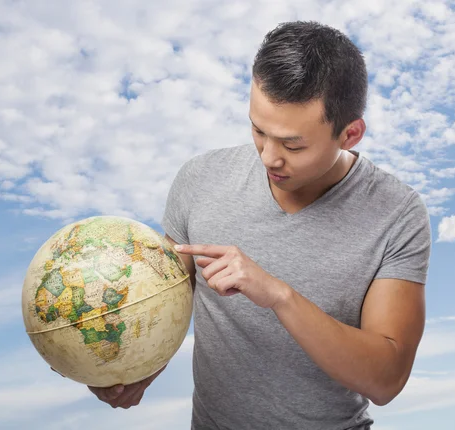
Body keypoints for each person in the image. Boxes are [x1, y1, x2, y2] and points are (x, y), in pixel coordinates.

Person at [89, 20, 431, 429]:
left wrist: (278, 296)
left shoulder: (398, 213)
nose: (269, 157)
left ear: (350, 134)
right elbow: (163, 309)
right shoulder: (199, 180)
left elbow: (387, 379)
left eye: (292, 144)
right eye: (257, 130)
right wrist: (129, 371)